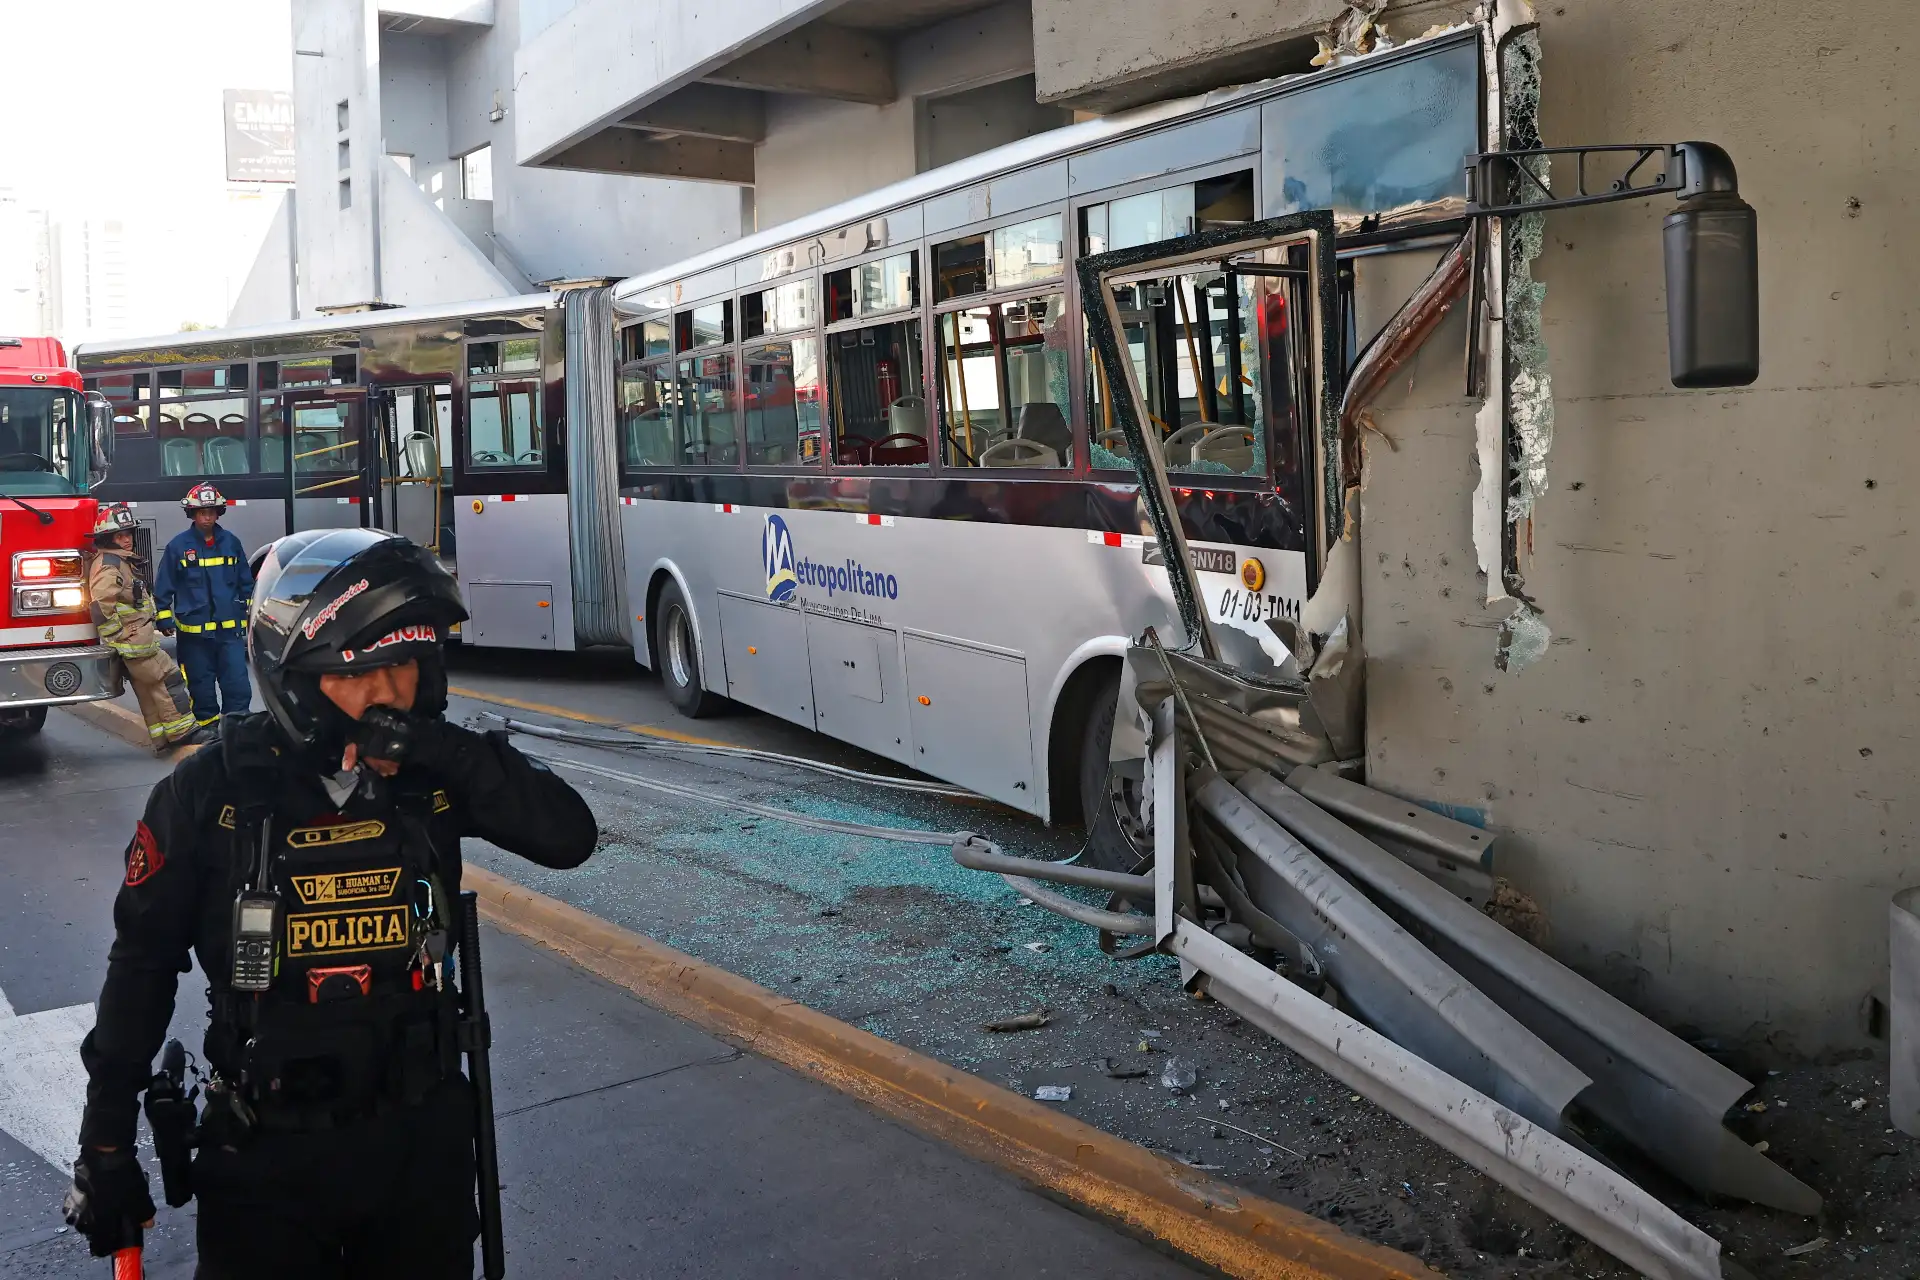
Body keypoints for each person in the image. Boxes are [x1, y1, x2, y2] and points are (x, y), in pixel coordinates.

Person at [66, 528, 599, 1278]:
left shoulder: (431, 777)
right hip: (264, 1160)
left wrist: (444, 749)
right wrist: (106, 1146)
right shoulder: (209, 793)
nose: (394, 693)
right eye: (368, 672)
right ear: (296, 677)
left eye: (410, 665)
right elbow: (141, 968)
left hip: (418, 1148)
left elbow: (568, 836)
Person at [84, 503, 210, 752]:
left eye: (129, 533)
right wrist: (119, 634)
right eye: (120, 535)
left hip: (135, 641)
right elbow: (100, 605)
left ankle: (162, 738)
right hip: (134, 641)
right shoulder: (110, 565)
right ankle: (184, 731)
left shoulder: (117, 561)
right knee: (168, 679)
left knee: (149, 689)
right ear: (108, 538)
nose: (127, 539)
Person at [154, 482, 253, 733]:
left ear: (218, 512)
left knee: (237, 683)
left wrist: (251, 613)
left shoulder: (232, 543)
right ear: (193, 514)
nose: (207, 516)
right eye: (201, 512)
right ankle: (208, 729)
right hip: (194, 635)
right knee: (200, 684)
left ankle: (237, 728)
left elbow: (246, 582)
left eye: (211, 511)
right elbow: (165, 585)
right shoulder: (178, 547)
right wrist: (164, 618)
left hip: (229, 632)